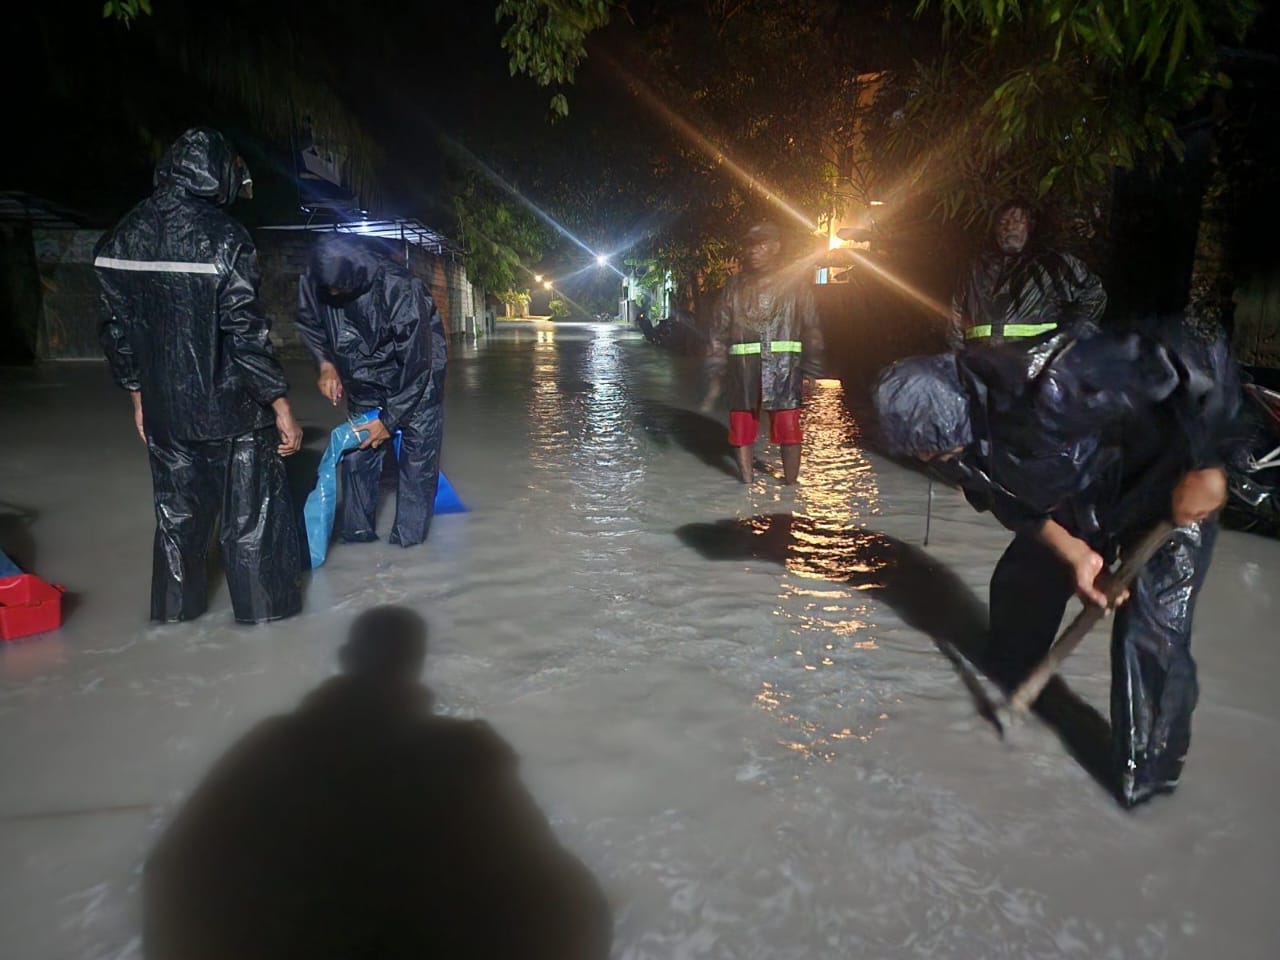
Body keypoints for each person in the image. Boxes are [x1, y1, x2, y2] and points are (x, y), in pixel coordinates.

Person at [873, 315, 1241, 807]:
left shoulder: (1055, 380)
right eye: (923, 453)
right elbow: (1007, 501)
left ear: (967, 406)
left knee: (1151, 639)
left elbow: (1191, 351)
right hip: (1075, 502)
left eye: (942, 447)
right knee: (1020, 592)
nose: (935, 459)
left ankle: (1147, 786)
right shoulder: (947, 450)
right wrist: (1076, 553)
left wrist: (1209, 463)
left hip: (1168, 488)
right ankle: (1011, 679)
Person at [143, 606, 613, 960]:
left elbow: (176, 864)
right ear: (416, 666)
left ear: (347, 658)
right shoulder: (464, 753)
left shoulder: (274, 741)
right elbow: (566, 902)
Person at [95, 127, 303, 624]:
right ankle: (265, 633)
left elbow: (114, 330)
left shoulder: (122, 236)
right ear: (217, 174)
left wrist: (138, 396)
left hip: (167, 413)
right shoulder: (225, 237)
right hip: (233, 413)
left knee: (176, 522)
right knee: (249, 525)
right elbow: (246, 333)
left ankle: (172, 625)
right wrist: (280, 406)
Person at [295, 233, 447, 547]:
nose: (334, 294)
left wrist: (389, 421)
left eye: (341, 288)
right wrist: (325, 363)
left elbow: (418, 362)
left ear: (359, 275)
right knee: (357, 457)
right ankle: (356, 539)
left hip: (416, 380)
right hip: (361, 377)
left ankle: (410, 547)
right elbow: (308, 323)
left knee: (417, 466)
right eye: (329, 289)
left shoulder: (400, 286)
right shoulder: (315, 280)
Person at [704, 221, 825, 484]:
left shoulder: (797, 286)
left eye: (760, 245)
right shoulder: (734, 287)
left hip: (784, 370)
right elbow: (718, 331)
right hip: (743, 370)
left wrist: (812, 370)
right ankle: (746, 485)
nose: (753, 251)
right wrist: (716, 370)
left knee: (789, 430)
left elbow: (812, 328)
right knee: (741, 428)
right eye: (750, 246)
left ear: (776, 247)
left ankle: (790, 489)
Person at [949, 199, 1107, 350]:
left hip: (1034, 366)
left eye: (1018, 220)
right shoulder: (976, 268)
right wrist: (958, 361)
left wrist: (1070, 338)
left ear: (1030, 226)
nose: (1010, 226)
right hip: (982, 364)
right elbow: (956, 316)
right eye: (1003, 222)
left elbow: (1093, 294)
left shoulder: (1054, 264)